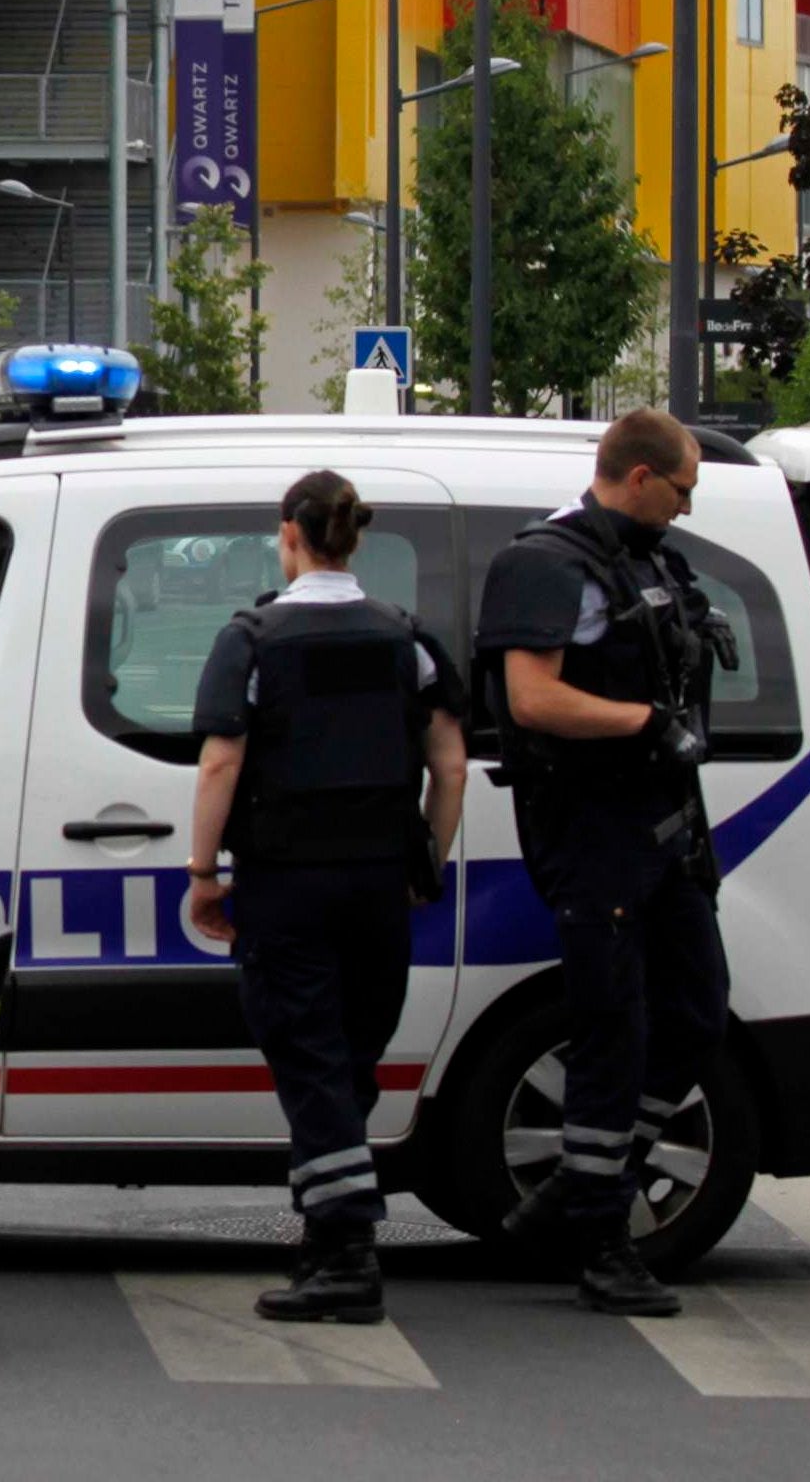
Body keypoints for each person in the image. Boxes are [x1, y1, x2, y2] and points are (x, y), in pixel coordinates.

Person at [183, 472, 468, 1323]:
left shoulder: (252, 639)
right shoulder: (405, 638)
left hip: (287, 884)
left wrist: (203, 873)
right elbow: (449, 765)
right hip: (379, 882)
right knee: (344, 1063)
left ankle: (346, 1255)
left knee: (310, 1063)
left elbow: (219, 762)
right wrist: (427, 860)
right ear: (353, 540)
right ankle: (323, 1237)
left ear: (289, 535)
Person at [474, 408, 730, 1318]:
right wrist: (642, 724)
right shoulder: (542, 562)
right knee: (609, 1029)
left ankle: (583, 1182)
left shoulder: (650, 559)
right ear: (635, 476)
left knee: (696, 1012)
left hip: (665, 831)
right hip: (590, 834)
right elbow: (532, 698)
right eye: (680, 488)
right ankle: (601, 1241)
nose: (685, 506)